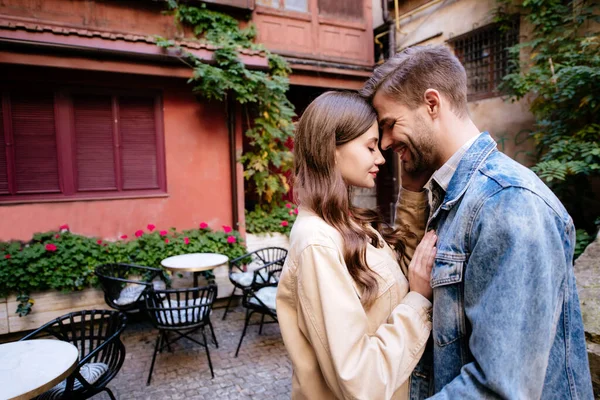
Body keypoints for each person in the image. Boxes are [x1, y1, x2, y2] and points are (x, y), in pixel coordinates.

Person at [360, 45, 594, 399]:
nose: (387, 141)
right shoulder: (455, 196)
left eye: (390, 124)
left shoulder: (508, 200)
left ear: (432, 104)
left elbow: (501, 387)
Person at [276, 91, 438, 399]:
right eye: (370, 146)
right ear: (332, 149)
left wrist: (413, 191)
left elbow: (399, 275)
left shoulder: (345, 223)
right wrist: (418, 301)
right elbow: (359, 380)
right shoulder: (318, 243)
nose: (380, 157)